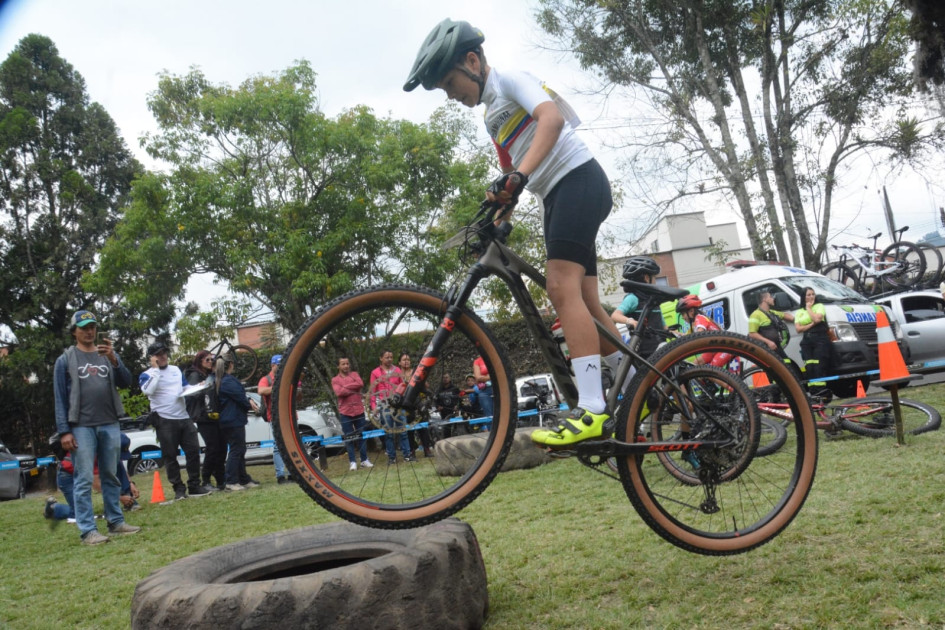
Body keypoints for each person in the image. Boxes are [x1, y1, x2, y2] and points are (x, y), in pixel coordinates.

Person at [405, 19, 624, 448]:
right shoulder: (492, 118)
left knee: (561, 289)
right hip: (557, 194)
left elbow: (551, 118)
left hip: (577, 179)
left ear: (472, 62)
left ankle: (593, 409)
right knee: (588, 303)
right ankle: (637, 388)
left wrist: (518, 176)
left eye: (449, 84)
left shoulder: (509, 80)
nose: (450, 95)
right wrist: (498, 207)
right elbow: (513, 175)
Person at [53, 309, 140, 545]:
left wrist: (114, 360)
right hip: (80, 426)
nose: (89, 331)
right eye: (84, 328)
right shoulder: (65, 360)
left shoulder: (107, 354)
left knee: (110, 474)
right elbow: (60, 397)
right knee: (83, 478)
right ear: (74, 332)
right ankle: (88, 531)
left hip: (109, 421)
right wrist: (64, 431)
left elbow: (126, 381)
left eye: (92, 327)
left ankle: (116, 522)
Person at [139, 342, 213, 500]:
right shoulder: (147, 374)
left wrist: (196, 387)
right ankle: (178, 488)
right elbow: (148, 390)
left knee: (193, 451)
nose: (163, 356)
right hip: (164, 419)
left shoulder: (175, 370)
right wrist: (156, 371)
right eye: (158, 354)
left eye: (164, 353)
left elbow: (184, 388)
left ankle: (194, 485)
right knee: (170, 456)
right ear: (151, 358)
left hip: (183, 416)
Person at [184, 350, 227, 490]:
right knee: (212, 447)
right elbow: (191, 394)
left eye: (212, 360)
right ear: (200, 361)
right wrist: (202, 387)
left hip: (213, 414)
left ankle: (220, 479)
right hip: (203, 416)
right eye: (207, 360)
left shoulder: (209, 374)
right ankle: (206, 479)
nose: (210, 362)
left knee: (221, 447)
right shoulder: (195, 375)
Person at [217, 357, 259, 490]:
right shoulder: (228, 381)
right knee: (236, 450)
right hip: (233, 420)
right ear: (230, 364)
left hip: (231, 420)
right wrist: (249, 402)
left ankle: (243, 479)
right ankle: (231, 481)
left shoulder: (222, 380)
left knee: (240, 449)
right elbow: (240, 396)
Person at [369, 350, 414, 464]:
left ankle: (407, 455)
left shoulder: (397, 370)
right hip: (384, 405)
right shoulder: (375, 372)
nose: (389, 359)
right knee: (388, 433)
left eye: (391, 357)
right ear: (381, 358)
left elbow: (403, 386)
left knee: (403, 431)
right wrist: (373, 406)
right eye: (386, 357)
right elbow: (373, 391)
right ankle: (392, 457)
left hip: (398, 404)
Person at [331, 357, 373, 471]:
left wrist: (345, 387)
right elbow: (339, 392)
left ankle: (364, 460)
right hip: (345, 412)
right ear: (338, 366)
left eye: (347, 364)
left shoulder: (354, 374)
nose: (346, 366)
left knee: (362, 436)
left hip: (359, 410)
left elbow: (360, 383)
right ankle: (352, 462)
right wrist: (353, 387)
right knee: (349, 438)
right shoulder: (335, 379)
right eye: (343, 364)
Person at [258, 355, 291, 484]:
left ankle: (292, 473)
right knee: (278, 446)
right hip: (275, 418)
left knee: (291, 445)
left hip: (289, 416)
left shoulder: (287, 377)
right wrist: (277, 388)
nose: (282, 367)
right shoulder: (266, 379)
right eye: (279, 364)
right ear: (272, 365)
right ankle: (280, 475)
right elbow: (261, 390)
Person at [675, 295, 734, 368]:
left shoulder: (699, 318)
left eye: (683, 314)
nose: (682, 317)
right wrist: (671, 332)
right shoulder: (694, 324)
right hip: (715, 348)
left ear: (691, 311)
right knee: (695, 364)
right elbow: (685, 336)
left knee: (712, 370)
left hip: (725, 347)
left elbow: (699, 334)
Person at [794, 287, 833, 390]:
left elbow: (817, 319)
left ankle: (821, 391)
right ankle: (813, 391)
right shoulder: (799, 312)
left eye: (813, 294)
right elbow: (798, 329)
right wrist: (811, 324)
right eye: (809, 295)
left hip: (820, 339)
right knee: (809, 367)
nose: (811, 297)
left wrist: (809, 308)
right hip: (807, 340)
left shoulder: (819, 306)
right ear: (804, 297)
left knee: (819, 366)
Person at [399, 353, 434, 457]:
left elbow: (425, 384)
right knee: (409, 428)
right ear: (399, 362)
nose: (406, 361)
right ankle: (412, 450)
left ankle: (427, 449)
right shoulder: (397, 374)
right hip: (405, 403)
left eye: (408, 359)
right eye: (404, 360)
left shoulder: (416, 371)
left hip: (418, 401)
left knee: (423, 426)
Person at [747, 291, 795, 361]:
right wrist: (768, 342)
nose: (773, 298)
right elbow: (752, 334)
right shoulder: (755, 315)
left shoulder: (772, 312)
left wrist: (797, 320)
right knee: (781, 365)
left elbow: (785, 315)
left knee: (787, 363)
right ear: (765, 299)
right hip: (767, 350)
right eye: (770, 297)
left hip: (777, 347)